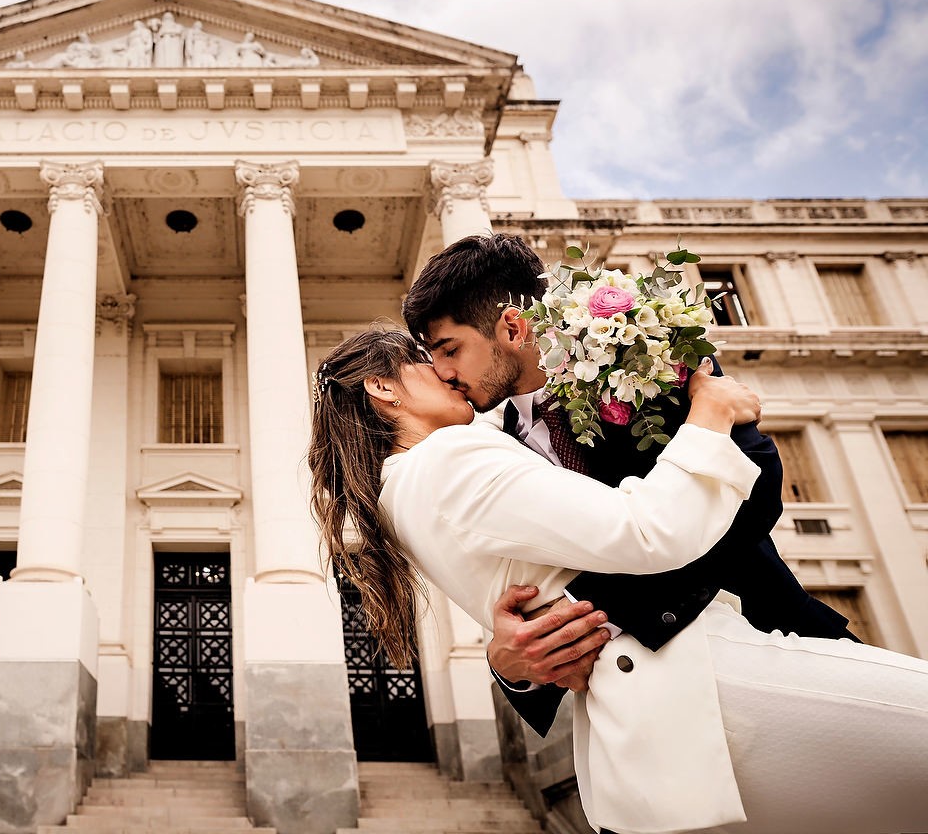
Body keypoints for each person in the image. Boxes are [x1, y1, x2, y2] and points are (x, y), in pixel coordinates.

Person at [308, 325, 928, 834]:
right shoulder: (448, 459)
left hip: (643, 731)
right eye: (427, 359)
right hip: (702, 683)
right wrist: (710, 419)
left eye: (447, 353)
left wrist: (508, 659)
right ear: (381, 386)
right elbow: (646, 532)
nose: (446, 372)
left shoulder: (399, 493)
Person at [400, 234, 856, 737]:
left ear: (511, 326)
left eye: (450, 349)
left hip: (776, 648)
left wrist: (589, 617)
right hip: (638, 727)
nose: (442, 372)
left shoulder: (644, 352)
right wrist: (513, 666)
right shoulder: (487, 448)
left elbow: (757, 487)